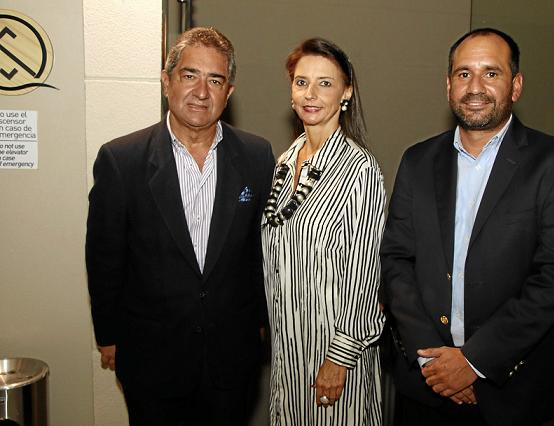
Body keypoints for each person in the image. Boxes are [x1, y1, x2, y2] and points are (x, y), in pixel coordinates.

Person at [381, 28, 554, 426]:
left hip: (522, 393)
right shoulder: (418, 160)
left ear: (516, 85)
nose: (475, 87)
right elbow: (396, 260)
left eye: (491, 73)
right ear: (448, 85)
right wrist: (431, 356)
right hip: (427, 386)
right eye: (463, 74)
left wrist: (474, 361)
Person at [86, 27, 275, 426]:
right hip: (151, 360)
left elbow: (261, 251)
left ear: (230, 92)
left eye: (215, 80)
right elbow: (104, 258)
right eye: (190, 75)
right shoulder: (122, 161)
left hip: (232, 362)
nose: (201, 91)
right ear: (166, 80)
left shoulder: (257, 158)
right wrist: (109, 336)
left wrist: (259, 325)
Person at [261, 38, 386, 425]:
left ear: (346, 92)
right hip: (287, 352)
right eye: (301, 82)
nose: (310, 94)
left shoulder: (361, 170)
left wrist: (340, 357)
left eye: (325, 83)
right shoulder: (284, 161)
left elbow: (366, 275)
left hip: (333, 356)